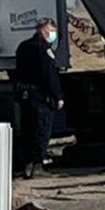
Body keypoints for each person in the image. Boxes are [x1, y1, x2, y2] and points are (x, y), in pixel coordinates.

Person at [14, 18, 64, 179]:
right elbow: (49, 75)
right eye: (52, 31)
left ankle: (27, 165)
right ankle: (37, 165)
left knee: (27, 130)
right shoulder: (43, 49)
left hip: (25, 95)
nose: (53, 35)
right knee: (41, 130)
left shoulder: (23, 47)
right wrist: (58, 96)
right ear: (44, 30)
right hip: (41, 97)